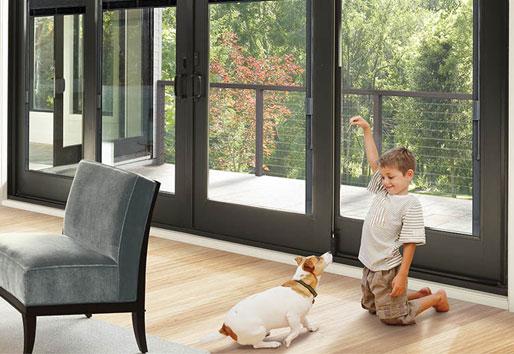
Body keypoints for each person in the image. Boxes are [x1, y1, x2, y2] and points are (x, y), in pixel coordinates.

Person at [349, 115, 449, 325]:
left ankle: (437, 297)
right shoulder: (382, 191)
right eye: (383, 177)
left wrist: (402, 275)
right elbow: (374, 162)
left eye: (391, 177)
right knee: (371, 306)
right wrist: (367, 129)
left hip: (387, 266)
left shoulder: (409, 204)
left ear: (408, 174)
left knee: (394, 318)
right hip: (370, 263)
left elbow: (410, 242)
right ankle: (416, 295)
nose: (385, 181)